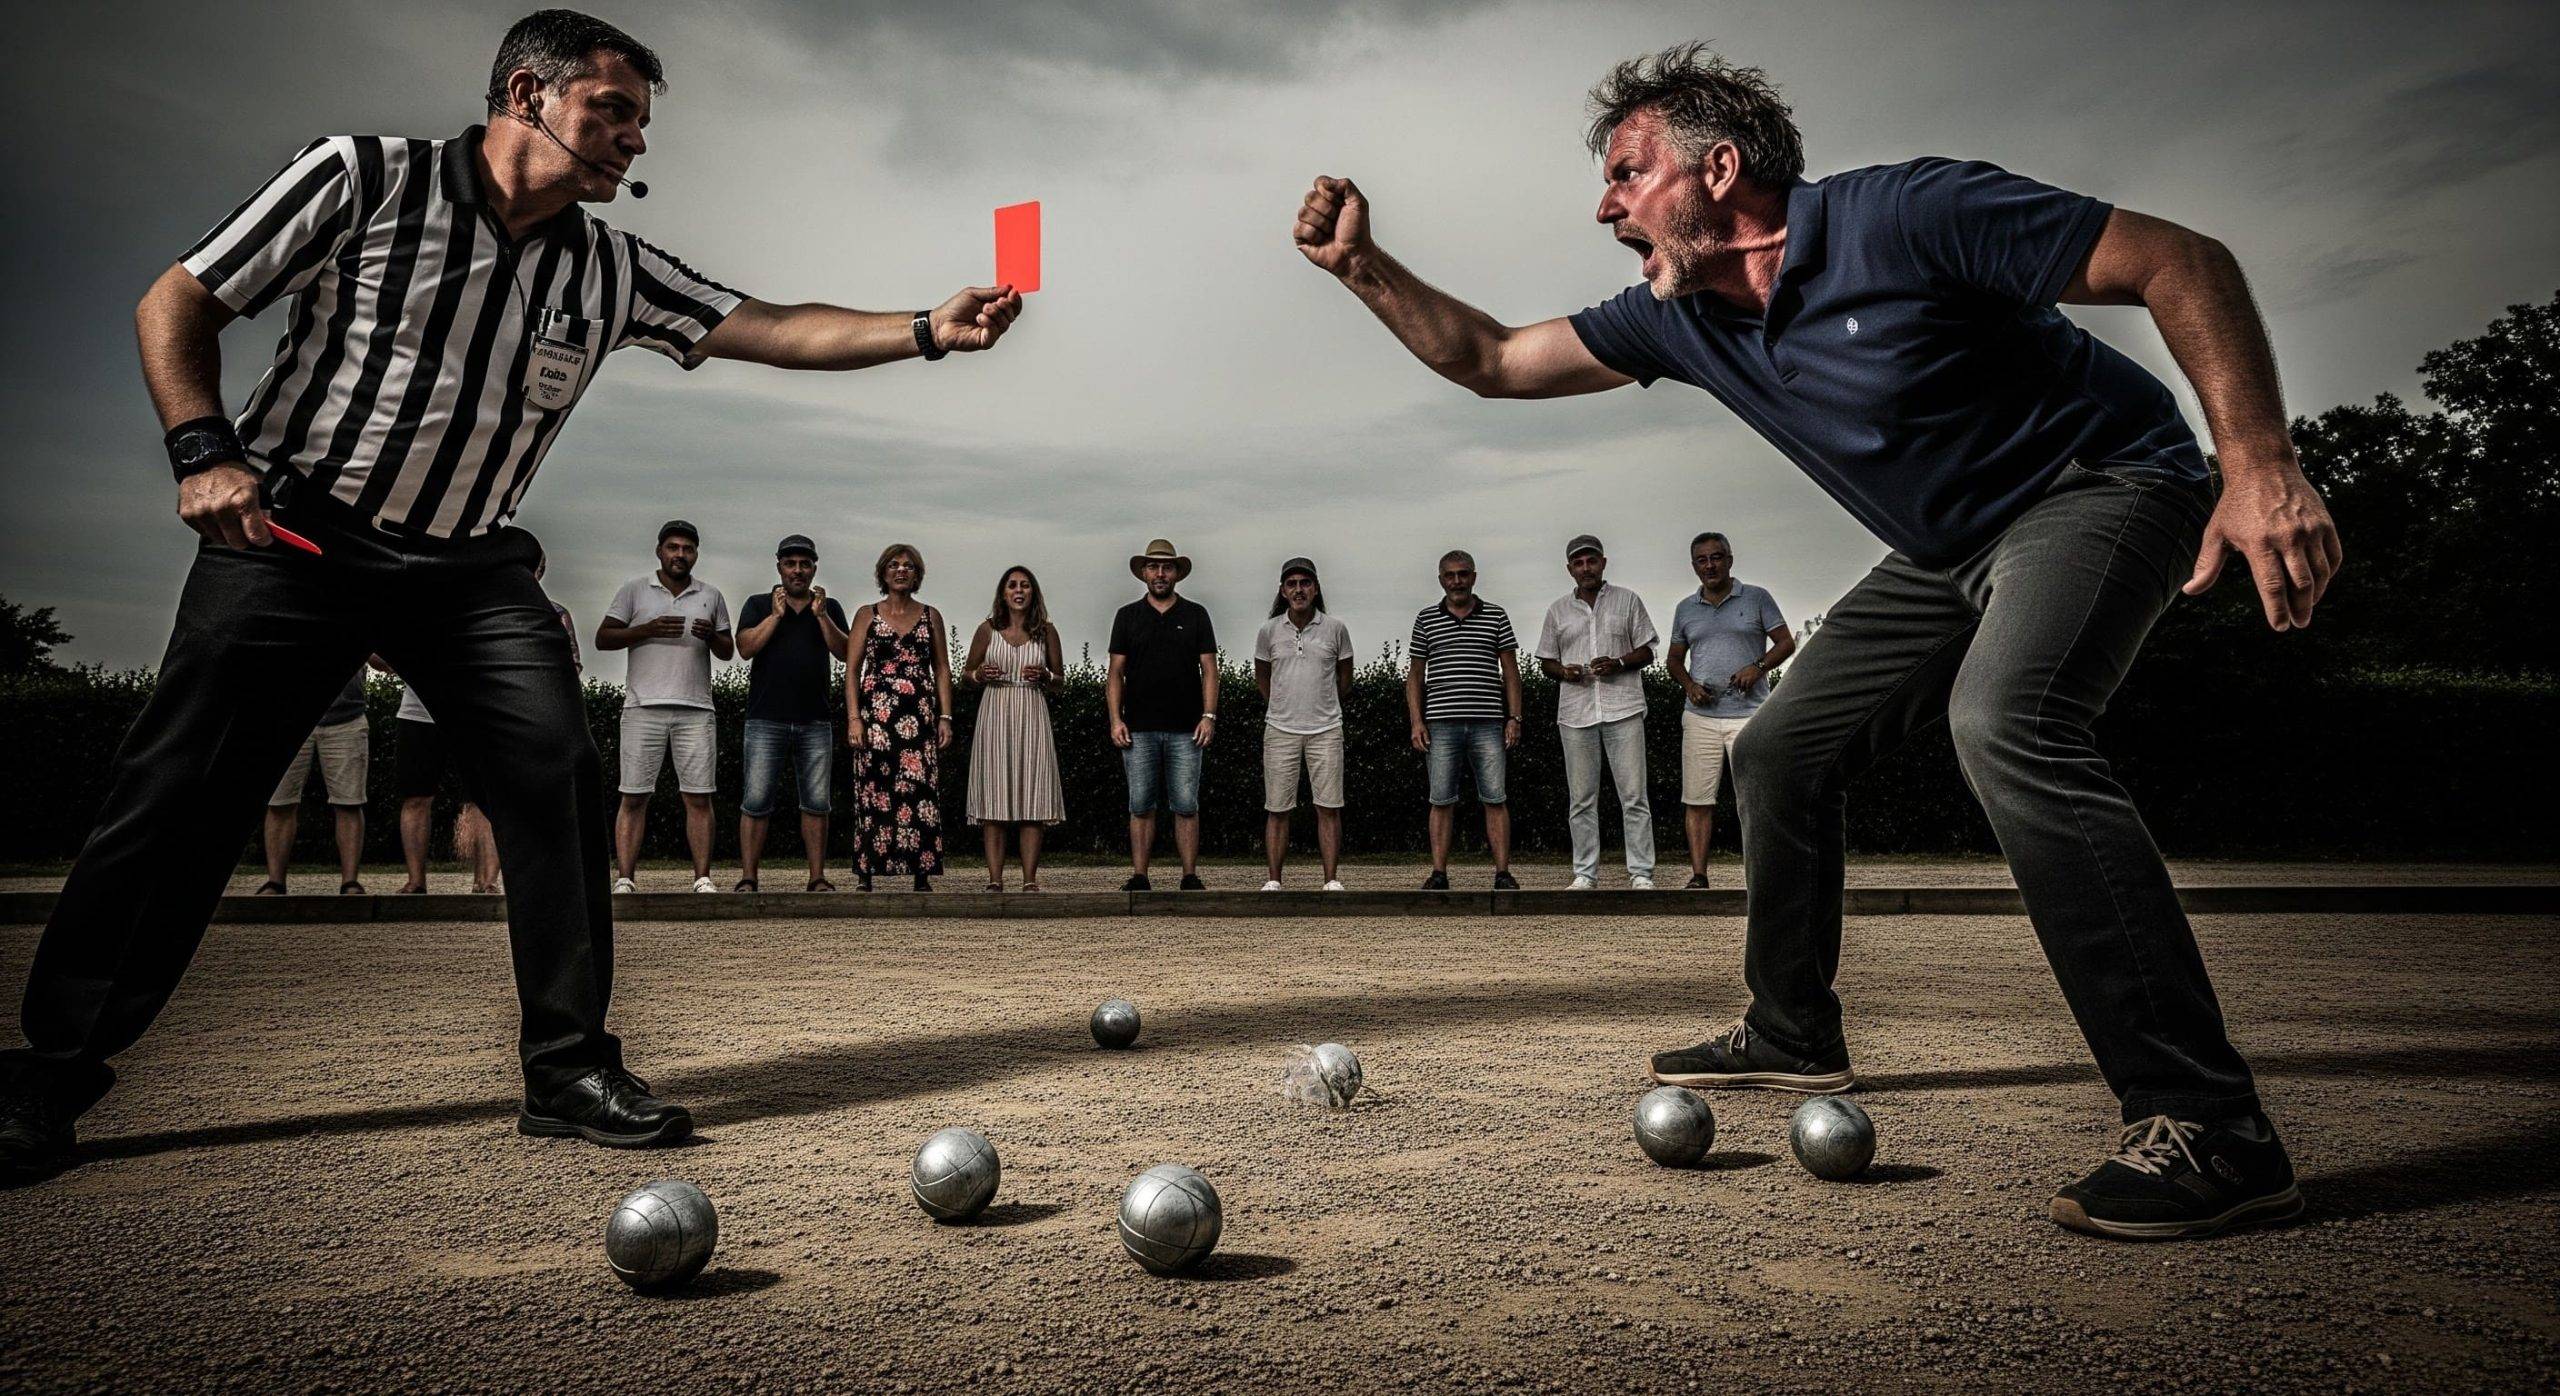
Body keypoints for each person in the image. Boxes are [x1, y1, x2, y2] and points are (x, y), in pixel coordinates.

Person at [1292, 43, 2339, 1238]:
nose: (1604, 203)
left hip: (2101, 485)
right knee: (1777, 749)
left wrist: (2257, 460)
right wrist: (1361, 267)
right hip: (1946, 550)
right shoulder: (1680, 320)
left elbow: (2177, 261)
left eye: (1627, 173)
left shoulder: (1908, 214)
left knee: (2006, 721)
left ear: (1718, 168)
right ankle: (1791, 1027)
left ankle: (2212, 1125)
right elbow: (1490, 359)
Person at [0, 8, 1024, 1183]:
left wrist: (923, 331)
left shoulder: (611, 267)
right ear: (528, 94)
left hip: (468, 565)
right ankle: (48, 1069)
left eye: (641, 121)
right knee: (179, 788)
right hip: (293, 533)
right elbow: (175, 301)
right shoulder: (363, 175)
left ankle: (569, 1064)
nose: (634, 141)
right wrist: (201, 450)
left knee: (555, 771)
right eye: (614, 111)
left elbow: (771, 326)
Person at [598, 520, 732, 894]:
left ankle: (702, 878)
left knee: (699, 796)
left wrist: (712, 637)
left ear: (696, 554)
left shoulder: (711, 595)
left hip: (696, 709)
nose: (680, 555)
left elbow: (727, 650)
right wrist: (648, 629)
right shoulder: (634, 591)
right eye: (673, 547)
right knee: (634, 794)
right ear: (659, 551)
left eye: (687, 549)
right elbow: (603, 638)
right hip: (643, 707)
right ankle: (625, 877)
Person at [1664, 531, 1793, 888]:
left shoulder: (1756, 598)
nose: (1710, 565)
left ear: (1730, 559)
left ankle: (1763, 876)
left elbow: (1786, 642)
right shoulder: (1685, 609)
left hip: (1750, 715)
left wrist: (1758, 667)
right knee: (1697, 798)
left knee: (1756, 799)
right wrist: (1690, 686)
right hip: (1701, 718)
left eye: (1717, 557)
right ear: (1694, 566)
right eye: (1702, 560)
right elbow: (1674, 660)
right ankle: (1699, 876)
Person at [1534, 535, 1661, 890]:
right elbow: (1546, 660)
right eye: (1579, 563)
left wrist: (1619, 662)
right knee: (1582, 798)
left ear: (1603, 562)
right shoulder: (1557, 610)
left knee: (1634, 795)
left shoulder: (1628, 600)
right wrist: (1564, 671)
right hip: (1575, 713)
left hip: (1624, 709)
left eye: (1591, 561)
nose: (1586, 568)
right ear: (1569, 569)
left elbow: (1648, 651)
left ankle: (1640, 873)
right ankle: (1585, 873)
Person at [733, 534, 849, 892]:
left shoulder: (829, 607)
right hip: (765, 718)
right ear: (779, 567)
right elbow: (745, 648)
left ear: (814, 568)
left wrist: (821, 617)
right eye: (791, 564)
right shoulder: (757, 604)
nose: (798, 571)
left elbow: (845, 651)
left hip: (815, 719)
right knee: (755, 801)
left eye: (805, 564)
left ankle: (816, 878)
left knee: (816, 802)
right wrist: (775, 615)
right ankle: (749, 878)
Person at [1405, 550, 1523, 891]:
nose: (1457, 581)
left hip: (1488, 721)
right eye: (1450, 575)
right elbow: (1415, 675)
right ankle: (1439, 873)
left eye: (1463, 574)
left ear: (1474, 576)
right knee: (1440, 799)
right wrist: (1416, 721)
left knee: (1495, 798)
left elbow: (1511, 673)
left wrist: (1513, 717)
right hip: (1441, 723)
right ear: (1441, 579)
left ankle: (1503, 873)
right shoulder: (1426, 619)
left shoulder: (1496, 616)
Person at [1107, 540, 1220, 892]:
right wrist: (1115, 719)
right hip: (1138, 727)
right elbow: (1115, 673)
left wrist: (1209, 716)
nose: (1160, 573)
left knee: (1186, 803)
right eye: (1154, 567)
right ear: (1143, 572)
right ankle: (1140, 876)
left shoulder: (1196, 614)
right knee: (1140, 804)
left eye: (1166, 567)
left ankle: (1189, 875)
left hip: (1187, 728)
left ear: (1176, 573)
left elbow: (1210, 669)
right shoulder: (1127, 616)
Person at [847, 543, 954, 892]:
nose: (901, 570)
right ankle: (868, 873)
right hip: (876, 718)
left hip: (919, 720)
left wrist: (945, 716)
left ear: (917, 574)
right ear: (882, 572)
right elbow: (851, 671)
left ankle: (921, 874)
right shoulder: (866, 614)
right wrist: (853, 719)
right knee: (874, 792)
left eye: (908, 565)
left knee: (920, 794)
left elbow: (941, 668)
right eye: (893, 565)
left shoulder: (930, 615)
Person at [962, 566, 1067, 891]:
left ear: (1033, 592)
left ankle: (1029, 880)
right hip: (995, 712)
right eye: (1012, 585)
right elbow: (966, 675)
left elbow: (1061, 682)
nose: (1018, 590)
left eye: (1024, 585)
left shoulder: (1046, 631)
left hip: (1031, 712)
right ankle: (994, 880)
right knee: (994, 797)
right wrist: (980, 676)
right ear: (1003, 593)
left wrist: (1047, 677)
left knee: (1032, 797)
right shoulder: (987, 630)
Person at [1254, 557, 1353, 892]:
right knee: (1277, 807)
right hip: (1280, 728)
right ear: (1283, 591)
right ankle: (1274, 880)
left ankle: (1331, 879)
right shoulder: (1268, 631)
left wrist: (1322, 706)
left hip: (1326, 728)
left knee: (1328, 805)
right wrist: (1283, 706)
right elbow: (1263, 677)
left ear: (1316, 588)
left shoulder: (1336, 629)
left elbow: (1344, 678)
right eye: (1292, 584)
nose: (1299, 590)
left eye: (1305, 583)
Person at [383, 664, 500, 895]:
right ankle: (415, 881)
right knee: (416, 796)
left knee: (483, 798)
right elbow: (376, 657)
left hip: (475, 709)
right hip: (417, 712)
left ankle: (487, 881)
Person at [255, 670, 371, 896]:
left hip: (347, 717)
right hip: (287, 715)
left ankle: (350, 883)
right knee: (279, 802)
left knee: (349, 802)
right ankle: (275, 882)